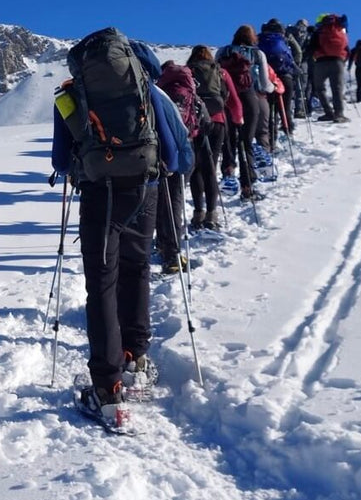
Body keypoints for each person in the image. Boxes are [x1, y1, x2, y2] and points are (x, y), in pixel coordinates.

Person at [50, 28, 189, 431]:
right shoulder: (148, 89)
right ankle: (137, 359)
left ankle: (107, 387)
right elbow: (177, 152)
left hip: (99, 197)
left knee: (102, 283)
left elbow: (61, 160)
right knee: (137, 269)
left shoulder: (70, 94)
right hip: (143, 193)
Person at [216, 26, 274, 201]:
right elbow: (265, 84)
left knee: (229, 140)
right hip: (249, 99)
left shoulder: (222, 51)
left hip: (226, 99)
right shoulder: (257, 54)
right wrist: (273, 88)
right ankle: (247, 186)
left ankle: (228, 172)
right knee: (246, 142)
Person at [155, 62, 202, 273]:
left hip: (158, 153)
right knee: (174, 200)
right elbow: (205, 121)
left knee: (159, 201)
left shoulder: (157, 91)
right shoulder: (190, 89)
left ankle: (164, 245)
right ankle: (173, 253)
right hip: (183, 152)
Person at [187, 45, 238, 229]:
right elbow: (230, 97)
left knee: (196, 169)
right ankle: (212, 214)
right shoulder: (220, 71)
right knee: (211, 167)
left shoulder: (189, 72)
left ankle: (198, 213)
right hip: (217, 122)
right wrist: (237, 118)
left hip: (196, 123)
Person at [259, 18, 301, 133]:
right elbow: (297, 52)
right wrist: (295, 67)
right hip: (285, 75)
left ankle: (271, 134)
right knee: (285, 106)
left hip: (267, 77)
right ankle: (288, 129)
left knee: (270, 108)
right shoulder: (283, 38)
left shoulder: (260, 39)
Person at [309, 14, 350, 122]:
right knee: (337, 89)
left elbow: (311, 47)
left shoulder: (319, 31)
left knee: (319, 88)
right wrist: (343, 60)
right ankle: (339, 114)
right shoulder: (341, 30)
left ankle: (328, 112)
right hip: (337, 61)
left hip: (321, 62)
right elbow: (347, 48)